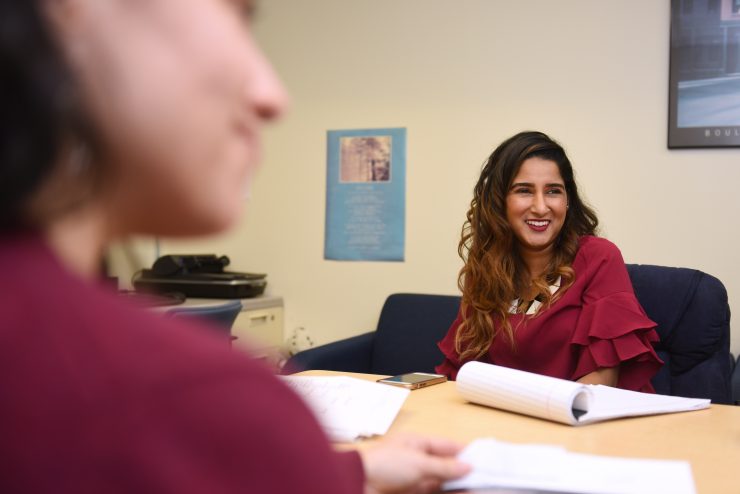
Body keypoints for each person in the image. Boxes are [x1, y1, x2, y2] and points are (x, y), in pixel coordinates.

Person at [0, 1, 470, 493]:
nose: (273, 96)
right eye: (237, 16)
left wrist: (355, 471)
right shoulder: (205, 401)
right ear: (69, 13)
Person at [435, 131, 663, 392]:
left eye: (553, 191)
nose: (541, 207)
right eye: (524, 191)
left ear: (567, 201)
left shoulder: (598, 258)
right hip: (502, 423)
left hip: (580, 424)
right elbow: (462, 372)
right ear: (500, 202)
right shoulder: (487, 267)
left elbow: (602, 383)